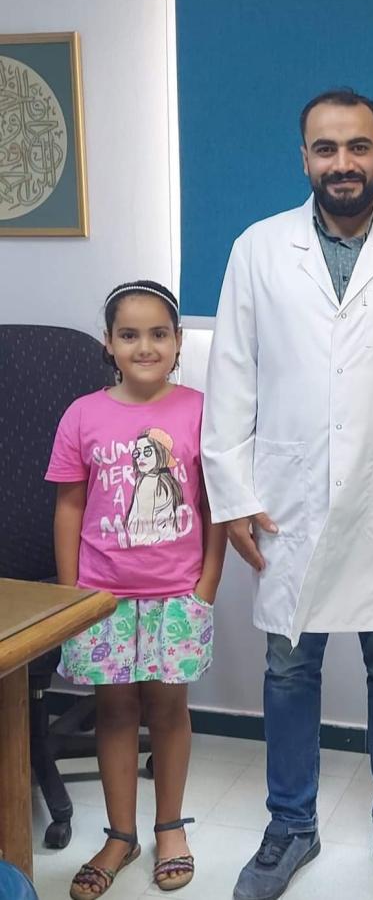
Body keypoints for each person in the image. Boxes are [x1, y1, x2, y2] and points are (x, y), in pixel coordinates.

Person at [202, 88, 373, 900]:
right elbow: (231, 380)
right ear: (304, 158)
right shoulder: (259, 248)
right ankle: (290, 824)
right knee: (289, 667)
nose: (343, 163)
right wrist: (233, 493)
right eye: (326, 148)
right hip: (286, 499)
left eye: (358, 147)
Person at [47, 281, 227, 898]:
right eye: (129, 334)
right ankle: (120, 836)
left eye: (158, 334)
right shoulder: (82, 415)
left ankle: (169, 829)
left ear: (177, 342)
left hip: (178, 595)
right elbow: (70, 507)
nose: (144, 346)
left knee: (169, 710)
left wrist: (207, 584)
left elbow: (215, 505)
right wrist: (71, 595)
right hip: (102, 597)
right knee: (116, 711)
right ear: (108, 343)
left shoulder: (201, 411)